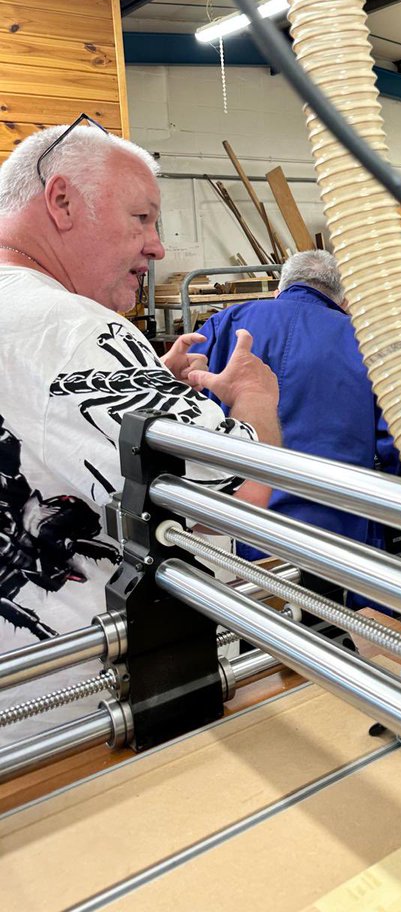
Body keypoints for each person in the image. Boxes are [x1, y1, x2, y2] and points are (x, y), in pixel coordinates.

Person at [0, 120, 279, 738]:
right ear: (62, 201)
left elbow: (46, 430)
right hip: (89, 729)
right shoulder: (74, 331)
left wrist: (148, 387)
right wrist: (256, 401)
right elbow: (230, 503)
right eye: (142, 218)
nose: (157, 246)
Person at [197, 250, 399, 574]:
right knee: (339, 618)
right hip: (336, 521)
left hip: (239, 516)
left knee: (246, 611)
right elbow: (396, 440)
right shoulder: (365, 342)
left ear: (280, 288)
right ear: (342, 298)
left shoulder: (225, 324)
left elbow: (185, 406)